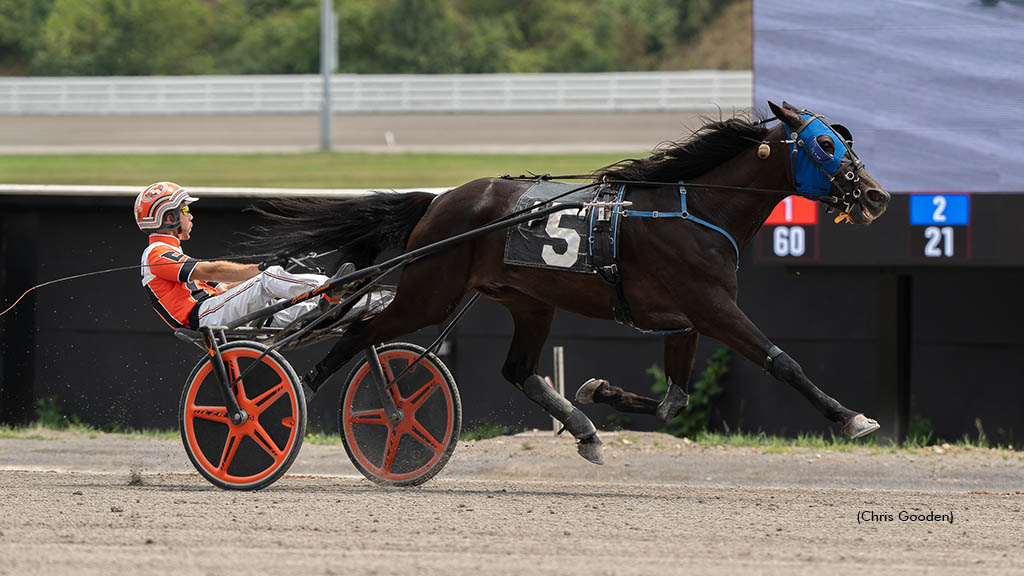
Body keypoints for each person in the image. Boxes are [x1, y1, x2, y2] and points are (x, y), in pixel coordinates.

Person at [134, 181, 351, 334]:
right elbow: (211, 270)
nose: (190, 215)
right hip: (204, 316)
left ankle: (358, 301)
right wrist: (261, 269)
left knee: (294, 307)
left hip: (213, 311)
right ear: (169, 217)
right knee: (270, 277)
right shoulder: (157, 253)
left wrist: (264, 269)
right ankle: (332, 287)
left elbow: (224, 289)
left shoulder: (169, 253)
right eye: (185, 209)